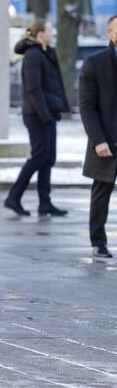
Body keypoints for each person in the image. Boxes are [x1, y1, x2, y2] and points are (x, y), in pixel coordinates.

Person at [4, 20, 70, 217]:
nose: (53, 33)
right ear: (40, 33)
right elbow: (34, 89)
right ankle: (13, 198)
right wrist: (45, 115)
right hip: (37, 114)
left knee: (48, 158)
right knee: (39, 157)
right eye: (50, 30)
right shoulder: (33, 55)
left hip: (47, 113)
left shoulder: (46, 52)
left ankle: (45, 203)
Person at [78, 15, 117, 258]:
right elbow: (87, 106)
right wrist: (98, 140)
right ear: (111, 33)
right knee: (102, 191)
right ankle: (98, 241)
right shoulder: (95, 63)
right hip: (106, 139)